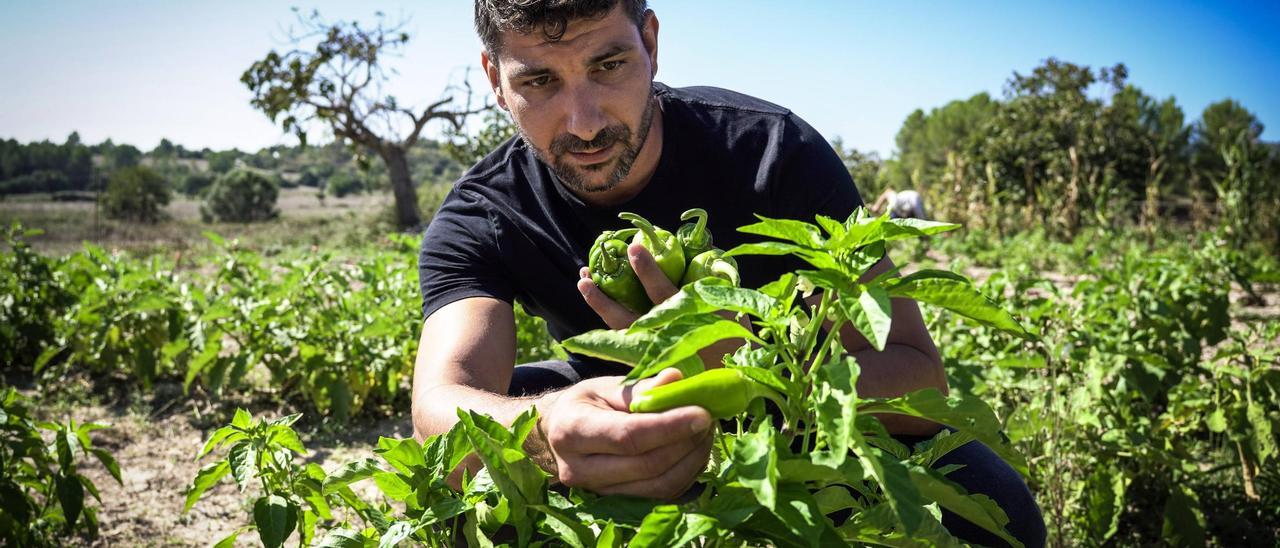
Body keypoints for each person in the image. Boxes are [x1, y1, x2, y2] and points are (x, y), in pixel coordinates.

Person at [413, 1, 1044, 545]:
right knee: (491, 438)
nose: (585, 122)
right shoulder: (486, 214)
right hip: (628, 399)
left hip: (802, 407)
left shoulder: (775, 154)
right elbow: (440, 403)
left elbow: (916, 376)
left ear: (651, 44)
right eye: (541, 81)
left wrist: (746, 365)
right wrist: (547, 431)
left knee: (997, 511)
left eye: (609, 66)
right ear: (496, 79)